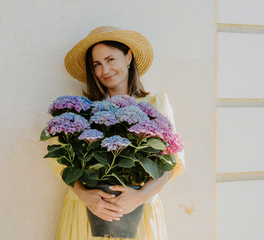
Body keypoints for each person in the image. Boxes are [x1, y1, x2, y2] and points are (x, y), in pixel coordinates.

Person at [48, 26, 185, 240]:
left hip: (137, 214)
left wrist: (139, 197)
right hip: (87, 212)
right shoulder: (81, 110)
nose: (105, 70)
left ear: (128, 57)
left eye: (110, 59)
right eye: (97, 64)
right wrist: (85, 196)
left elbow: (171, 164)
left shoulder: (156, 105)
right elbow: (60, 165)